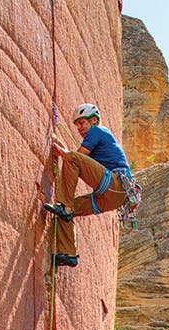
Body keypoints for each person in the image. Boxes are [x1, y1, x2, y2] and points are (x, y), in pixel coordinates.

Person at [44, 103, 133, 267]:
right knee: (66, 214)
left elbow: (74, 158)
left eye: (82, 123)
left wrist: (63, 151)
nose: (79, 127)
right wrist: (64, 151)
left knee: (66, 205)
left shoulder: (97, 131)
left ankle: (66, 206)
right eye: (77, 124)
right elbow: (76, 157)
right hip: (112, 198)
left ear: (93, 120)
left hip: (115, 183)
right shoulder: (97, 138)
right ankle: (68, 254)